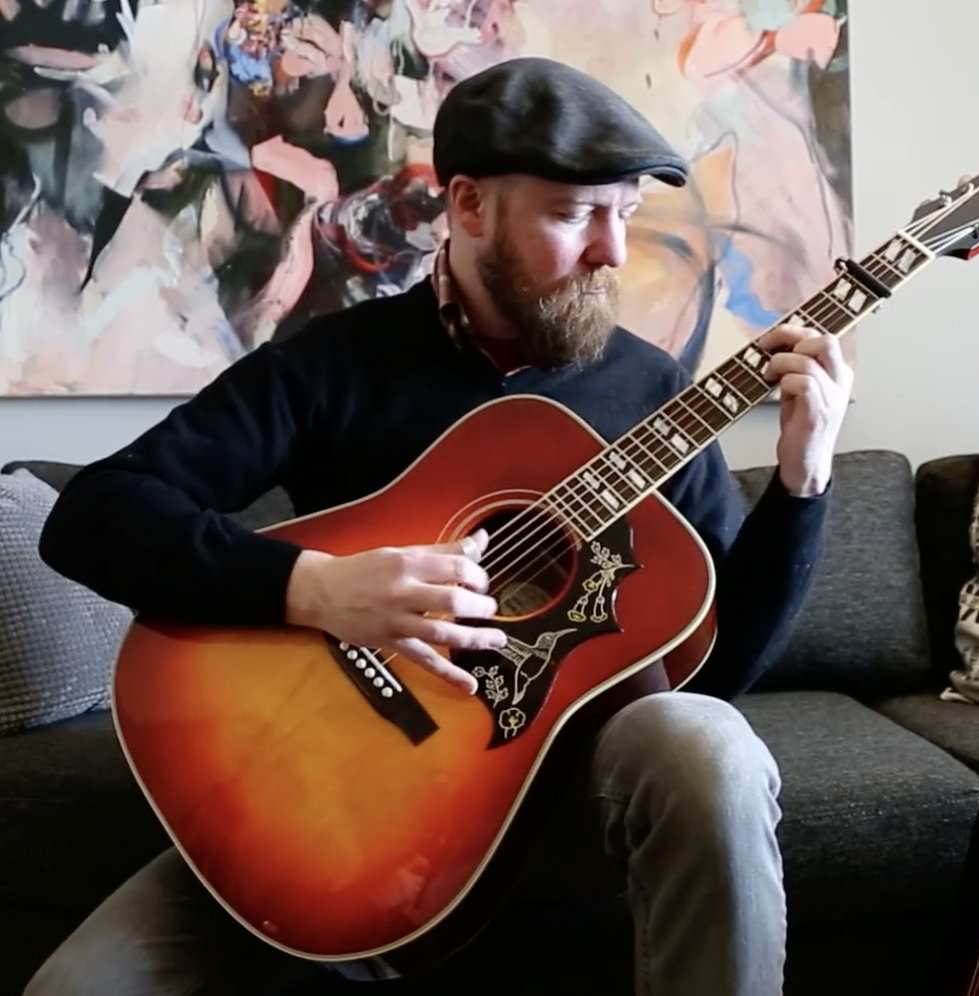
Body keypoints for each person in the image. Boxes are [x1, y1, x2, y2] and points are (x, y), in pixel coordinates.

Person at [27, 56, 852, 996]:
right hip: (336, 804)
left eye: (624, 213)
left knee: (707, 743)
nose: (612, 252)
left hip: (572, 799)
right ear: (468, 207)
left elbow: (721, 671)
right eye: (574, 214)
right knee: (74, 988)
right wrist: (314, 589)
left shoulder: (653, 392)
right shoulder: (332, 366)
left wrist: (803, 482)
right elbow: (95, 515)